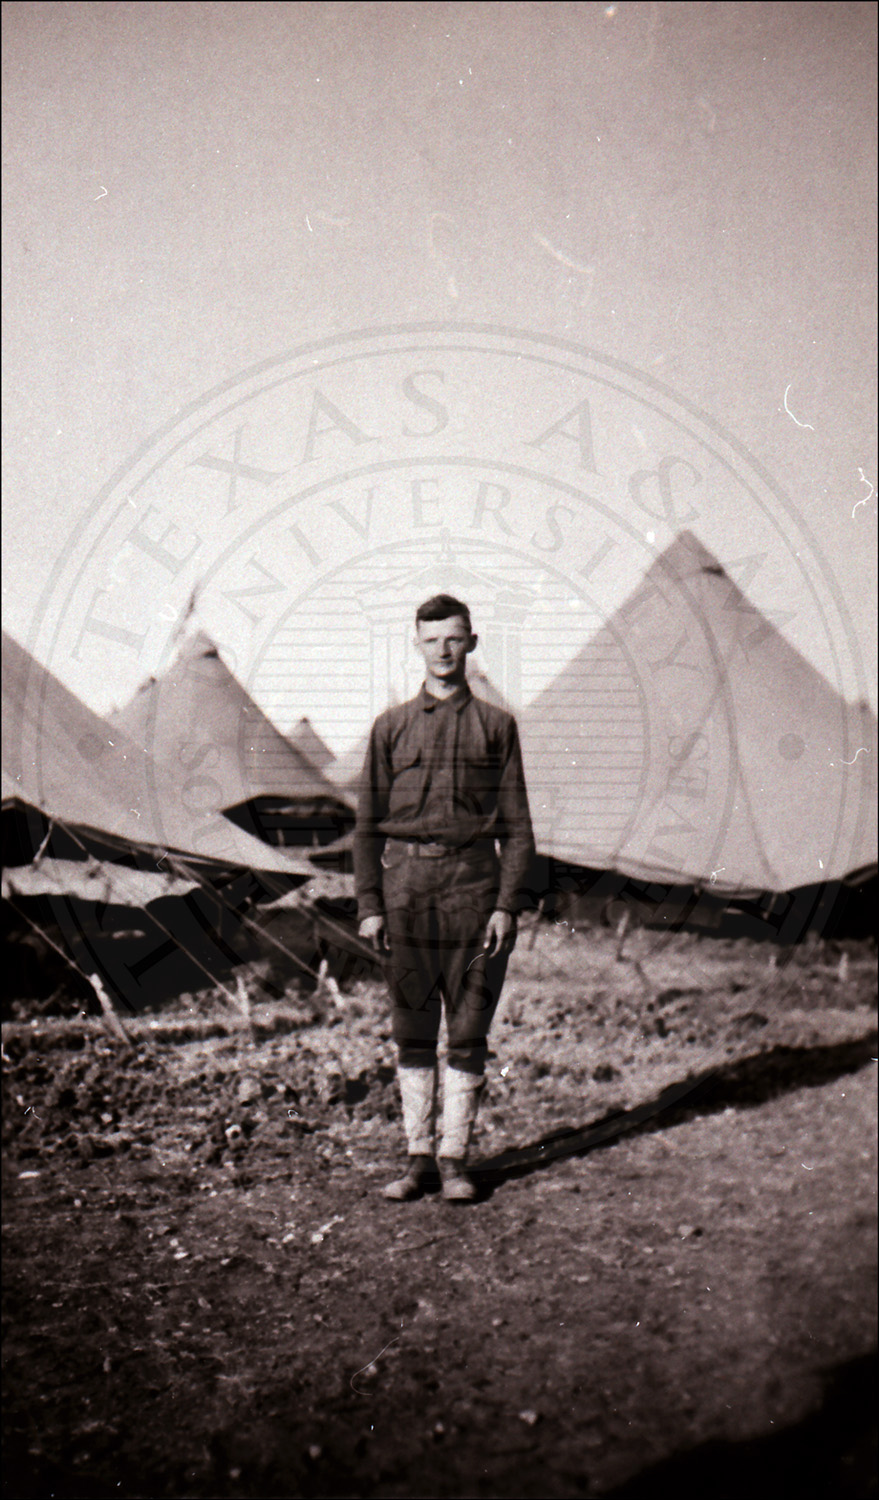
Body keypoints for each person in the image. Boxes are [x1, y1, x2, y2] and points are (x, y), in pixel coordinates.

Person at [354, 595, 535, 1202]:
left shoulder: (496, 727)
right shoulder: (390, 728)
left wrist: (506, 905)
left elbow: (518, 829)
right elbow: (366, 827)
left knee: (467, 1027)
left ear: (472, 642)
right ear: (417, 645)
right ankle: (417, 1160)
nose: (443, 650)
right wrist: (370, 905)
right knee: (411, 1027)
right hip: (405, 890)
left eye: (454, 638)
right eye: (431, 640)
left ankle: (454, 1159)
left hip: (473, 891)